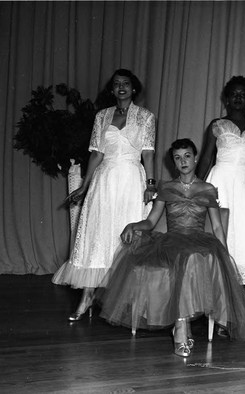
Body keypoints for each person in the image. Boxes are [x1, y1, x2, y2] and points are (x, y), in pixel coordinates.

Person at [97, 139, 245, 357]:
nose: (183, 161)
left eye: (187, 156)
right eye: (177, 157)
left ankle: (181, 326)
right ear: (173, 161)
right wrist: (133, 225)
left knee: (194, 256)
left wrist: (224, 254)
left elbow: (218, 226)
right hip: (172, 241)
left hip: (199, 240)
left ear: (196, 157)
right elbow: (151, 222)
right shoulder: (166, 187)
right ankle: (181, 326)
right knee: (185, 255)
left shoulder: (208, 189)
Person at [52, 69, 157, 321]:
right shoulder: (102, 116)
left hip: (132, 180)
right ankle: (87, 297)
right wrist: (84, 185)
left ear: (134, 89)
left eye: (126, 84)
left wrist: (151, 184)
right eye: (117, 84)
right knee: (97, 235)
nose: (121, 87)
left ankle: (130, 302)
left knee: (127, 237)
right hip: (105, 181)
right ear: (112, 89)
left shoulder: (145, 117)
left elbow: (148, 153)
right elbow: (97, 154)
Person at [196, 76, 245, 296]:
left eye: (243, 94)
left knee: (243, 232)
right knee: (220, 232)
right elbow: (205, 159)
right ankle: (216, 292)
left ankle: (242, 294)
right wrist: (194, 188)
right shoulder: (217, 125)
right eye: (234, 94)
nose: (238, 98)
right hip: (219, 182)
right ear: (226, 98)